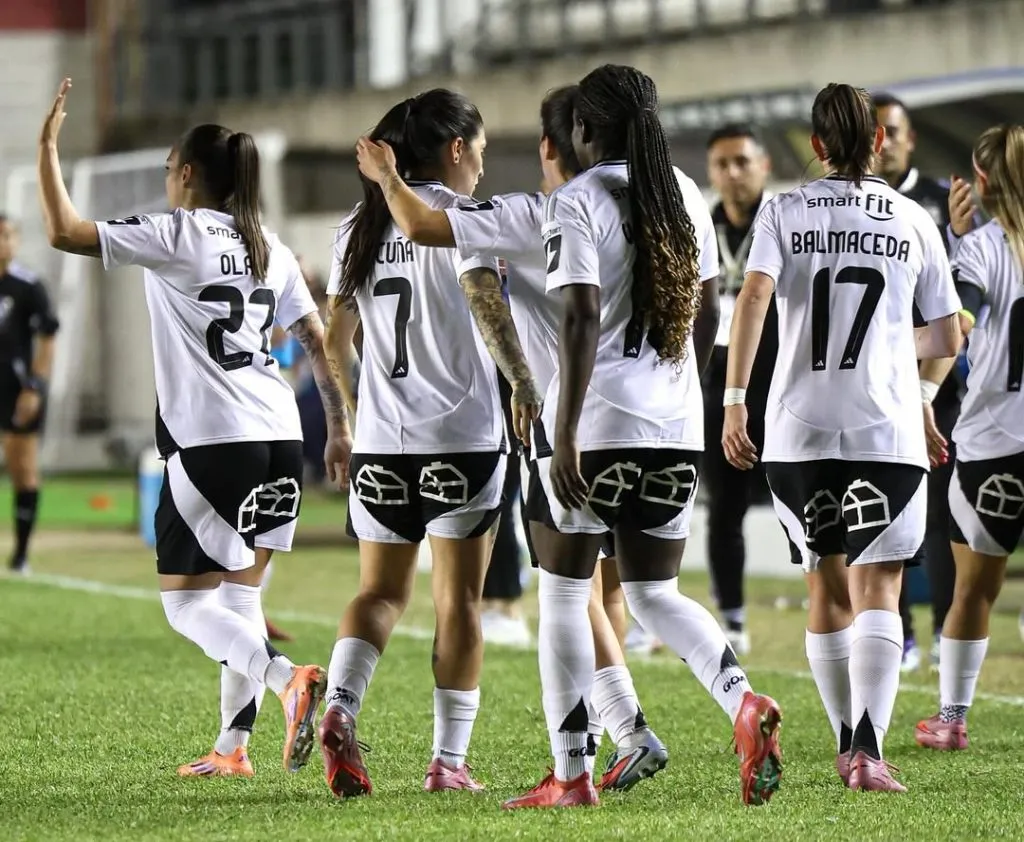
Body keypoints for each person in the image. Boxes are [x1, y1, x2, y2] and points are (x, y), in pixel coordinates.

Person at [355, 84, 671, 794]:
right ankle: (630, 729)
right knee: (603, 594)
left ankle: (589, 757)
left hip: (558, 427)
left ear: (553, 146)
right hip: (647, 419)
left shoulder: (529, 214)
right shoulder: (646, 204)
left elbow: (448, 255)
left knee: (567, 595)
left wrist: (387, 179)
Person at [37, 79, 348, 778]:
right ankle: (232, 749)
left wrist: (46, 149)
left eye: (168, 172)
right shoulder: (268, 244)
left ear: (185, 174)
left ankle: (286, 682)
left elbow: (63, 232)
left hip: (215, 440)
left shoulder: (175, 233)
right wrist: (338, 428)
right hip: (279, 439)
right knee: (240, 597)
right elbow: (316, 338)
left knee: (185, 606)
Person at [512, 64, 780, 809]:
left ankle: (571, 774)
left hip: (597, 425)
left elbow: (579, 316)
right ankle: (743, 703)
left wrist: (562, 436)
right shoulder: (688, 195)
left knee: (565, 595)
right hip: (672, 423)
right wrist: (683, 398)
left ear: (585, 131)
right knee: (656, 591)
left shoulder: (578, 199)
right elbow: (704, 312)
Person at [723, 82, 962, 793]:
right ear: (879, 142)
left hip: (796, 428)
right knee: (880, 589)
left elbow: (754, 298)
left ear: (817, 147)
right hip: (884, 426)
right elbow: (948, 334)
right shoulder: (912, 218)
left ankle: (841, 740)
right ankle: (867, 749)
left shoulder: (783, 209)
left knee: (824, 589)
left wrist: (736, 401)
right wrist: (906, 368)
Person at [318, 88, 541, 799]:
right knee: (460, 605)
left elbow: (333, 341)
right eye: (477, 149)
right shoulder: (463, 218)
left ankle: (339, 708)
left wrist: (351, 417)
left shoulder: (356, 225)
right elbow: (486, 307)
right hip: (464, 441)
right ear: (454, 150)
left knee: (378, 594)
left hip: (384, 445)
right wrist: (522, 384)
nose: (480, 163)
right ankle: (447, 763)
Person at [914, 124, 1024, 751]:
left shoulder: (979, 250)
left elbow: (955, 326)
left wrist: (921, 393)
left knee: (974, 590)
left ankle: (951, 719)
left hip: (992, 446)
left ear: (979, 183)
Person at [873, 91, 961, 673]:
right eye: (875, 130)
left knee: (943, 516)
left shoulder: (934, 206)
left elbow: (959, 309)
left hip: (937, 381)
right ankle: (901, 635)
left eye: (894, 130)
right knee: (889, 513)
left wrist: (928, 389)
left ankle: (945, 632)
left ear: (909, 139)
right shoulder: (853, 203)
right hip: (878, 385)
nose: (884, 141)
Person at [700, 122, 776, 655]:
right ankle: (732, 616)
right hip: (716, 384)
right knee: (724, 505)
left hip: (779, 380)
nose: (732, 173)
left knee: (801, 500)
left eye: (742, 162)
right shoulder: (701, 225)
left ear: (764, 165)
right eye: (722, 164)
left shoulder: (783, 222)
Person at [0, 214, 59, 573]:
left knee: (23, 469)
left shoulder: (28, 286)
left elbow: (48, 337)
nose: (4, 243)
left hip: (17, 389)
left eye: (9, 236)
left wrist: (34, 386)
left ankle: (21, 555)